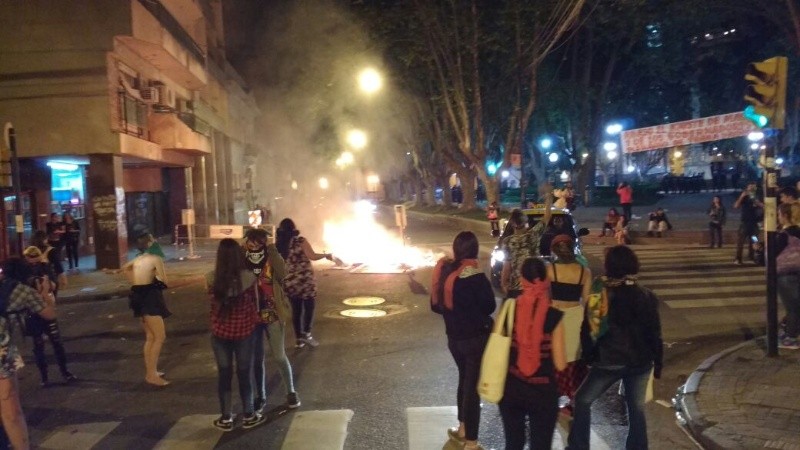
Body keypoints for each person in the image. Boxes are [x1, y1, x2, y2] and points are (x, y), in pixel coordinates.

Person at [567, 245, 663, 450]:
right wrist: (659, 363)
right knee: (636, 408)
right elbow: (654, 333)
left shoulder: (600, 294)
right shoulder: (646, 295)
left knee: (582, 400)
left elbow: (588, 328)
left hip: (609, 360)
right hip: (641, 362)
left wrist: (588, 355)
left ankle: (578, 445)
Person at [431, 231, 496, 450]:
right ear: (475, 250)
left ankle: (462, 428)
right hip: (474, 340)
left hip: (453, 338)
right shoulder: (475, 276)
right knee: (472, 388)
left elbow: (436, 305)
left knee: (464, 380)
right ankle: (471, 442)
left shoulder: (446, 270)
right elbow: (490, 307)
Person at [500, 257, 566, 450]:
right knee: (541, 445)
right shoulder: (554, 316)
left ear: (522, 280)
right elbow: (561, 364)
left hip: (511, 387)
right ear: (546, 281)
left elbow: (498, 345)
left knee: (513, 443)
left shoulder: (508, 308)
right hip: (543, 392)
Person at [206, 238, 265, 431]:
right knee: (244, 374)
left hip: (220, 333)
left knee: (224, 375)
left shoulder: (210, 278)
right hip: (244, 333)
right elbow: (255, 304)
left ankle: (226, 417)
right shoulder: (249, 278)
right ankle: (249, 414)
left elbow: (211, 305)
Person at [0, 257, 57, 450]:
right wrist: (45, 292)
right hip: (2, 350)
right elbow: (49, 314)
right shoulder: (22, 290)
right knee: (11, 411)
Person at [242, 228, 301, 412]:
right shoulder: (242, 258)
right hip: (251, 314)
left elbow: (283, 273)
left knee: (279, 355)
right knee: (257, 358)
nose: (254, 245)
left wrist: (272, 250)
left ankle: (291, 392)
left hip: (272, 311)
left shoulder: (271, 256)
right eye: (251, 241)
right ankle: (261, 396)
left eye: (259, 241)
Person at [545, 235, 591, 422]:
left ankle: (551, 398)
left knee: (555, 358)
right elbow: (587, 300)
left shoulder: (550, 270)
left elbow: (545, 298)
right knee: (573, 361)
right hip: (576, 317)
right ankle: (572, 403)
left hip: (556, 316)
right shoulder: (584, 272)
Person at [21, 246, 76, 386]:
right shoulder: (24, 271)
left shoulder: (44, 267)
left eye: (35, 260)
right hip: (34, 311)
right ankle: (45, 377)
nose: (33, 263)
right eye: (30, 261)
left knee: (56, 343)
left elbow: (53, 284)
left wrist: (47, 284)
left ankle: (64, 372)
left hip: (45, 307)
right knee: (39, 345)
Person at [121, 233, 170, 386]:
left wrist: (135, 282)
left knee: (150, 337)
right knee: (159, 337)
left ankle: (151, 370)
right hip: (150, 299)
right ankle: (151, 375)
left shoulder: (139, 259)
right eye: (153, 239)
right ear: (149, 243)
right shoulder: (156, 259)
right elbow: (165, 281)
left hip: (138, 298)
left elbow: (125, 268)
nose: (156, 241)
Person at [276, 218, 333, 348]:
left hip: (290, 281)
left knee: (296, 310)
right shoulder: (300, 241)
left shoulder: (279, 244)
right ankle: (307, 334)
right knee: (309, 307)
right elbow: (312, 256)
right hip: (305, 280)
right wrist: (326, 255)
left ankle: (298, 339)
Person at [501, 188, 553, 298]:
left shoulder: (507, 242)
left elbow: (507, 266)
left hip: (515, 289)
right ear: (526, 224)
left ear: (512, 224)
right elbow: (547, 217)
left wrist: (504, 284)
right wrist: (549, 199)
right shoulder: (533, 235)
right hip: (533, 287)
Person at [776, 202, 800, 349]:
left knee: (792, 308)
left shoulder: (784, 235)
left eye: (779, 214)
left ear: (785, 216)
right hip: (798, 272)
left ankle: (790, 338)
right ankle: (790, 332)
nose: (778, 217)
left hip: (786, 274)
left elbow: (771, 256)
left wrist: (759, 249)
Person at [733, 181, 763, 265]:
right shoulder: (744, 197)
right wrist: (742, 197)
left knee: (754, 241)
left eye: (754, 187)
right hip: (744, 224)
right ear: (747, 187)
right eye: (750, 187)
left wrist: (757, 202)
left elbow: (763, 206)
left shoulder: (758, 196)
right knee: (740, 242)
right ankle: (738, 259)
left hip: (754, 224)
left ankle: (752, 257)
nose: (752, 188)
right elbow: (736, 206)